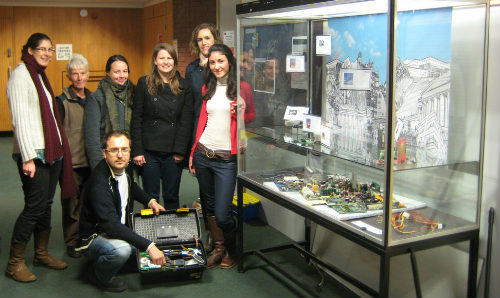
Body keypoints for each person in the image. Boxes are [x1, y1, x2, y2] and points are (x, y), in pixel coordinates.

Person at [6, 33, 75, 282]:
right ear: (30, 50)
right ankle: (14, 263)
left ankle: (41, 253)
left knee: (45, 204)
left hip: (51, 152)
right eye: (42, 49)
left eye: (50, 49)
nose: (47, 53)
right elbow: (20, 119)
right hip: (33, 154)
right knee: (34, 207)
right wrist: (27, 157)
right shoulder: (21, 76)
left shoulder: (39, 75)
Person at [189, 44, 255, 269]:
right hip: (203, 154)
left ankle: (233, 247)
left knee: (223, 213)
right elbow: (202, 121)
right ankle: (219, 249)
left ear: (229, 62)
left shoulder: (243, 88)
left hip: (227, 160)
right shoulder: (208, 87)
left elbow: (253, 115)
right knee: (208, 207)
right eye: (212, 62)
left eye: (221, 61)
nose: (216, 66)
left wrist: (244, 112)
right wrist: (192, 152)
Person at [78, 130, 166, 292]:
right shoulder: (99, 182)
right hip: (95, 236)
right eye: (114, 150)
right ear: (105, 153)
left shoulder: (123, 168)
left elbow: (131, 185)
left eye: (124, 149)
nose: (120, 155)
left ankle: (113, 258)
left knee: (147, 243)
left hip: (116, 227)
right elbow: (110, 225)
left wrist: (150, 200)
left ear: (129, 152)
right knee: (122, 251)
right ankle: (98, 275)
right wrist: (149, 247)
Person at [131, 43, 193, 210]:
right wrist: (137, 150)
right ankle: (151, 235)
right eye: (162, 58)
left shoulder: (183, 85)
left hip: (173, 151)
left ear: (174, 61)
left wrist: (180, 151)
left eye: (169, 58)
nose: (166, 62)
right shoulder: (144, 83)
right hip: (148, 150)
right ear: (155, 61)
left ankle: (174, 233)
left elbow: (186, 121)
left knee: (171, 195)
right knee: (151, 197)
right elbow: (137, 118)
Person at [55, 53, 92, 258]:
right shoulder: (61, 101)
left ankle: (85, 238)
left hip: (91, 162)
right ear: (69, 76)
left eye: (83, 73)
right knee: (71, 205)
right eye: (75, 74)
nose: (79, 78)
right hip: (72, 164)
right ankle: (71, 241)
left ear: (88, 75)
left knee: (88, 204)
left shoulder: (93, 98)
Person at [84, 55, 134, 170]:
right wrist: (98, 167)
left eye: (125, 71)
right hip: (106, 160)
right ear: (108, 73)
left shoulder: (133, 93)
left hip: (128, 159)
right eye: (117, 72)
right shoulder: (97, 97)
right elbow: (92, 138)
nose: (122, 76)